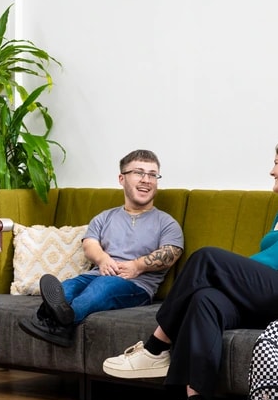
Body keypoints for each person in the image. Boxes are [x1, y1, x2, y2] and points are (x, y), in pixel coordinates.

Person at [102, 138, 278, 400]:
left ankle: (155, 346)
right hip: (275, 290)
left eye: (277, 163)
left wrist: (230, 272)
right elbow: (270, 269)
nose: (272, 171)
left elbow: (274, 259)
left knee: (207, 259)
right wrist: (232, 278)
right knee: (205, 300)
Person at [20, 149, 184, 347]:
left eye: (152, 174)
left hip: (136, 286)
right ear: (122, 178)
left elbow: (172, 252)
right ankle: (54, 324)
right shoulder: (105, 217)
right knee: (68, 288)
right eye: (139, 173)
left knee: (103, 287)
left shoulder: (166, 223)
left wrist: (137, 266)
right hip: (96, 274)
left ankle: (57, 323)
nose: (146, 180)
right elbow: (90, 244)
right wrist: (102, 259)